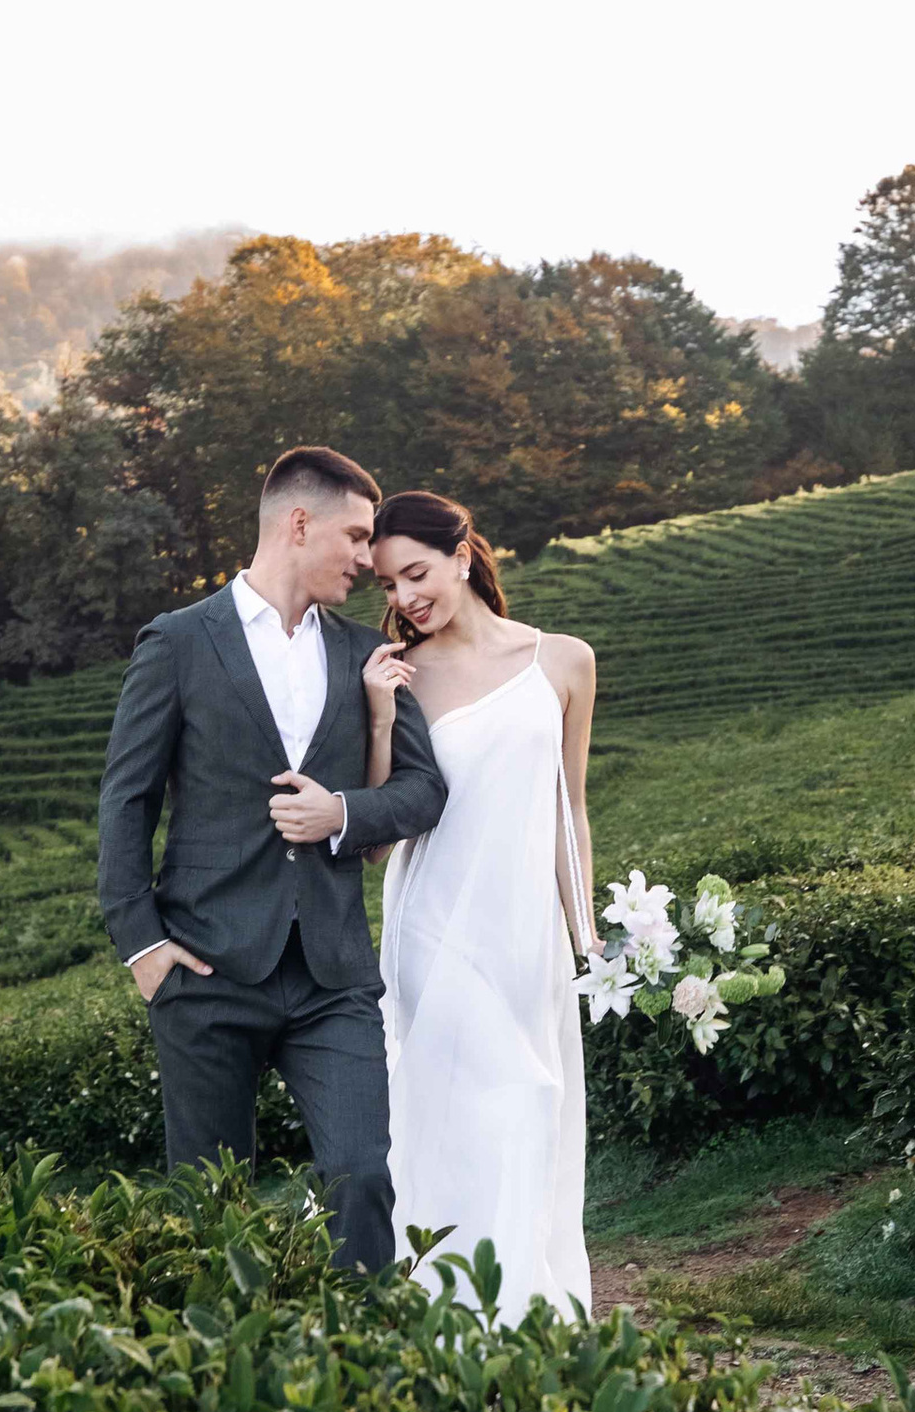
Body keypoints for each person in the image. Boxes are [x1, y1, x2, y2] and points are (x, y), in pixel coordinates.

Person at [96, 445, 448, 1271]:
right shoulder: (179, 641)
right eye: (358, 537)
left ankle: (366, 1368)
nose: (371, 560)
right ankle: (222, 1381)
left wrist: (343, 813)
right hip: (205, 971)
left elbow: (424, 790)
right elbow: (126, 799)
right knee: (207, 1206)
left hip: (332, 975)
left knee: (363, 1173)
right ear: (299, 523)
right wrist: (142, 947)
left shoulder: (365, 651)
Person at [363, 489, 598, 1322]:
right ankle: (452, 1326)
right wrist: (383, 717)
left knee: (530, 1117)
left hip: (526, 939)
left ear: (463, 555)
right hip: (433, 934)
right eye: (387, 586)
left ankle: (528, 1322)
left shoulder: (563, 660)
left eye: (415, 574)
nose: (403, 599)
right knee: (459, 1127)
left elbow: (569, 808)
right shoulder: (399, 677)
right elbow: (382, 839)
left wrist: (588, 936)